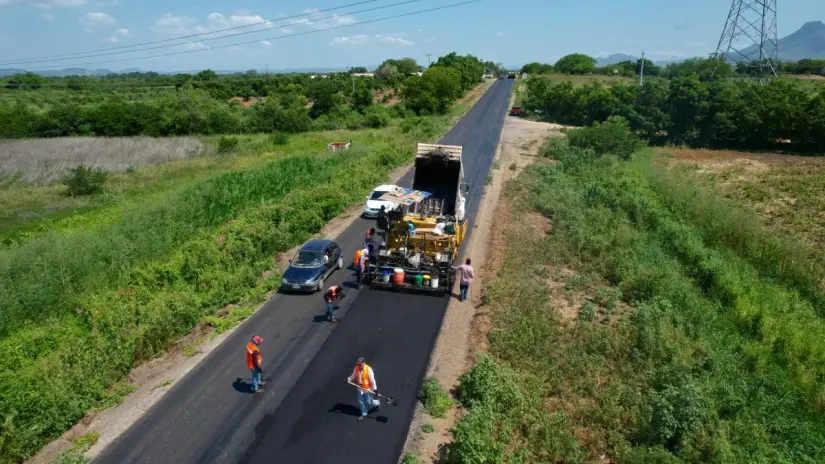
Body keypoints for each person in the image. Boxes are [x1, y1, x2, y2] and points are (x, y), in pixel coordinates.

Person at [347, 357, 380, 421]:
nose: (359, 365)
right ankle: (364, 414)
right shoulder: (356, 368)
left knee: (369, 402)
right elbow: (353, 375)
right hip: (360, 388)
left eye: (360, 364)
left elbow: (372, 380)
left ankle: (377, 403)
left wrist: (375, 389)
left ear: (364, 363)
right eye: (358, 364)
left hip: (367, 389)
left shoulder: (369, 370)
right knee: (361, 402)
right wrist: (348, 379)